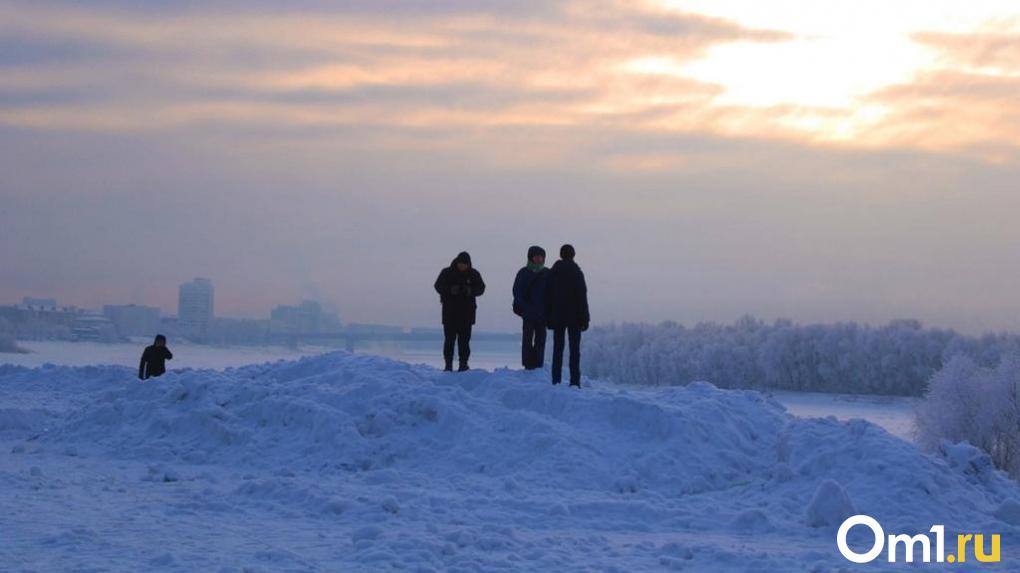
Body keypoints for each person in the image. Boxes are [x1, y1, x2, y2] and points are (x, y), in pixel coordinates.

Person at [545, 244, 589, 387]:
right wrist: (585, 318)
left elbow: (548, 297)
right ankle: (574, 382)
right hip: (575, 318)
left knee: (558, 350)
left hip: (557, 317)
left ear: (561, 254)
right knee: (574, 351)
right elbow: (582, 297)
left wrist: (549, 317)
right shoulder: (577, 272)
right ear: (573, 255)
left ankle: (555, 381)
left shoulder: (553, 273)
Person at [434, 251, 486, 371]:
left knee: (464, 342)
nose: (462, 266)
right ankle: (448, 365)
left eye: (465, 264)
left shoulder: (474, 274)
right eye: (460, 263)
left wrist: (469, 290)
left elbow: (481, 288)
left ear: (469, 264)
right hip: (450, 313)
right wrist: (451, 290)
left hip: (467, 314)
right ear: (456, 262)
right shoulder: (447, 273)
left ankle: (463, 364)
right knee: (449, 341)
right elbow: (438, 286)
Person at [513, 245, 549, 370]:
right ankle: (528, 364)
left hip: (542, 314)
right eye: (537, 256)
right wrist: (525, 308)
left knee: (541, 339)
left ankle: (538, 363)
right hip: (528, 313)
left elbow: (554, 293)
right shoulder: (523, 273)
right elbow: (517, 292)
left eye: (541, 257)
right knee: (527, 339)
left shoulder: (547, 273)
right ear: (531, 257)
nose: (539, 259)